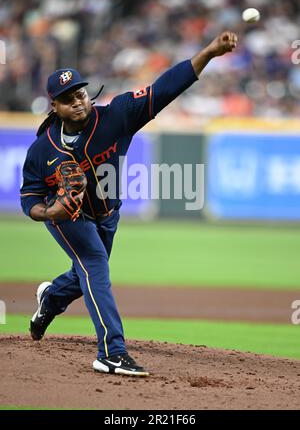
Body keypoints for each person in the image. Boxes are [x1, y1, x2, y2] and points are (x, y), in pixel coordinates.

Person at [20, 31, 237, 377]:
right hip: (68, 216)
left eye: (80, 93)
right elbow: (29, 195)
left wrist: (209, 51)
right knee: (95, 266)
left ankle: (51, 299)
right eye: (67, 98)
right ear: (54, 106)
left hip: (108, 213)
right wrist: (49, 212)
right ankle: (111, 352)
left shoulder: (117, 116)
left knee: (84, 276)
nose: (77, 101)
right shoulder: (42, 149)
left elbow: (165, 88)